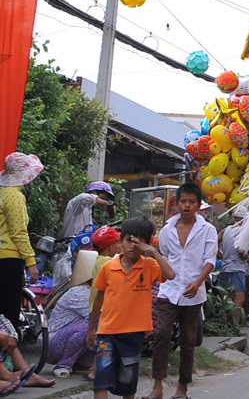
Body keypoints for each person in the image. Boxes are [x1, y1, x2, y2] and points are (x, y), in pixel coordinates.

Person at [88, 217, 176, 399]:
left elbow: (170, 274)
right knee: (101, 379)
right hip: (107, 331)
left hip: (134, 333)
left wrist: (152, 251)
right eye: (129, 240)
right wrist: (91, 329)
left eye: (139, 241)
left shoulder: (149, 265)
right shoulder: (108, 268)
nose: (133, 246)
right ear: (120, 241)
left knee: (128, 383)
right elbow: (99, 298)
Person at [148, 182, 217, 399]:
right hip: (169, 289)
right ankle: (157, 385)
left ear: (198, 205)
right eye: (183, 201)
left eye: (191, 202)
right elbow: (166, 257)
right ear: (177, 203)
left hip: (194, 292)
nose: (187, 206)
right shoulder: (167, 230)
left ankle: (182, 387)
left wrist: (198, 282)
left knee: (188, 340)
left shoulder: (208, 229)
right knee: (162, 333)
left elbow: (210, 260)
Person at [0, 152, 41, 330]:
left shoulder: (2, 193)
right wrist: (31, 262)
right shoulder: (14, 197)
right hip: (9, 258)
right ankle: (8, 355)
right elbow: (18, 233)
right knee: (9, 313)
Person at [48, 250, 97, 378]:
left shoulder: (93, 292)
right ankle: (63, 365)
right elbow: (94, 317)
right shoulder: (80, 292)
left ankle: (81, 364)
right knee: (91, 325)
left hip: (64, 339)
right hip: (53, 343)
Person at [217, 221, 249, 323]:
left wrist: (222, 257)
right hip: (237, 268)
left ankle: (224, 324)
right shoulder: (241, 232)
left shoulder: (225, 230)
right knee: (239, 299)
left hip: (224, 268)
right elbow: (241, 251)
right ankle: (235, 326)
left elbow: (213, 244)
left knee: (226, 299)